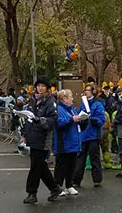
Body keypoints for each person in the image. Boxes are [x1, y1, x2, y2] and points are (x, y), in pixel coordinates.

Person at [22, 76, 63, 204]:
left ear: (47, 88)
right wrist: (24, 134)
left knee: (35, 166)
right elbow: (28, 120)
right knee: (41, 166)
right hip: (32, 136)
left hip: (43, 139)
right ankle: (54, 188)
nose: (40, 88)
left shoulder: (50, 102)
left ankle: (32, 192)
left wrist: (38, 120)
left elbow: (52, 121)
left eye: (43, 86)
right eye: (38, 86)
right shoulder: (33, 101)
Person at [72, 83, 105, 188]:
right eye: (85, 90)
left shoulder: (97, 104)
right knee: (80, 159)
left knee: (94, 158)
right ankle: (76, 180)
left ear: (93, 92)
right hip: (83, 135)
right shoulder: (83, 104)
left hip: (93, 135)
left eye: (88, 90)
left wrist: (93, 119)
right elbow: (78, 114)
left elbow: (101, 119)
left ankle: (97, 180)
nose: (86, 92)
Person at [53, 88, 81, 195]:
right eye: (70, 97)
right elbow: (60, 123)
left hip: (73, 141)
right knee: (61, 165)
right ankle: (58, 186)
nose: (72, 99)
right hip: (64, 143)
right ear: (64, 99)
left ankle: (69, 185)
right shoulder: (59, 109)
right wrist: (71, 120)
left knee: (71, 165)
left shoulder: (72, 109)